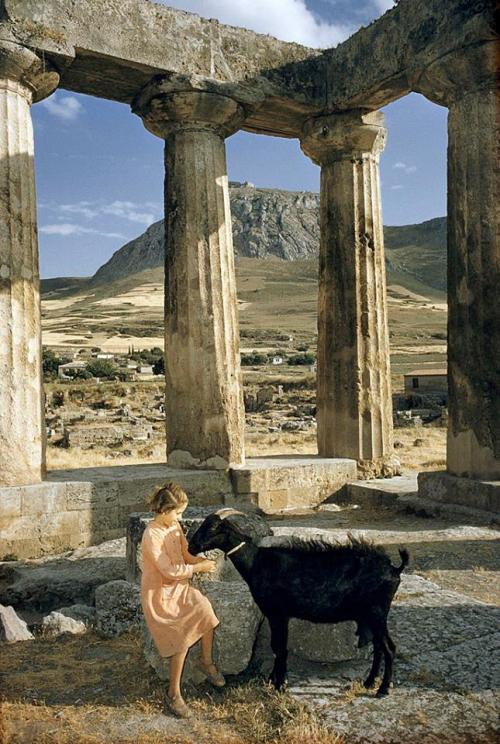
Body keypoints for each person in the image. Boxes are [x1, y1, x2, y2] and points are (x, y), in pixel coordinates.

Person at [141, 482, 224, 718]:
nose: (180, 517)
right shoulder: (151, 535)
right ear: (163, 510)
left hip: (179, 587)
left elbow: (185, 553)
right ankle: (173, 694)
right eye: (177, 512)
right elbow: (167, 570)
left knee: (206, 611)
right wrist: (196, 570)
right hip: (159, 594)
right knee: (180, 635)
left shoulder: (174, 525)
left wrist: (200, 561)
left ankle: (205, 662)